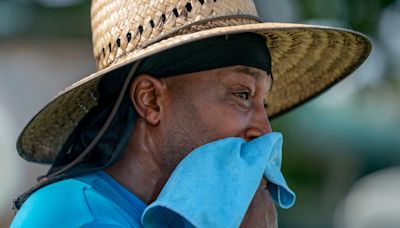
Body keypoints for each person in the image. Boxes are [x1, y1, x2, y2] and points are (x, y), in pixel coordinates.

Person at [11, 0, 371, 227]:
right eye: (242, 94)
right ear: (151, 101)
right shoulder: (74, 218)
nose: (264, 128)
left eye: (265, 102)